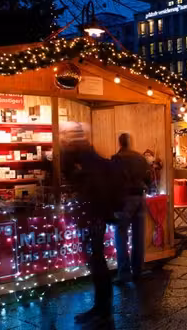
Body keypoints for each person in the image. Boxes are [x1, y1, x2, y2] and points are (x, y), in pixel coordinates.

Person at [62, 129, 124, 325]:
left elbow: (89, 189)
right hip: (97, 218)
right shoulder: (96, 162)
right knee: (97, 262)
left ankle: (102, 309)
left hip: (92, 218)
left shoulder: (87, 165)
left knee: (97, 263)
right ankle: (102, 307)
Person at [111, 133, 151, 284]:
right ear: (130, 142)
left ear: (120, 142)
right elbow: (148, 178)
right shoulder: (140, 157)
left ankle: (124, 272)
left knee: (121, 235)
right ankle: (138, 270)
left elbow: (113, 181)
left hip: (124, 199)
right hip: (140, 197)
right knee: (138, 235)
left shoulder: (117, 158)